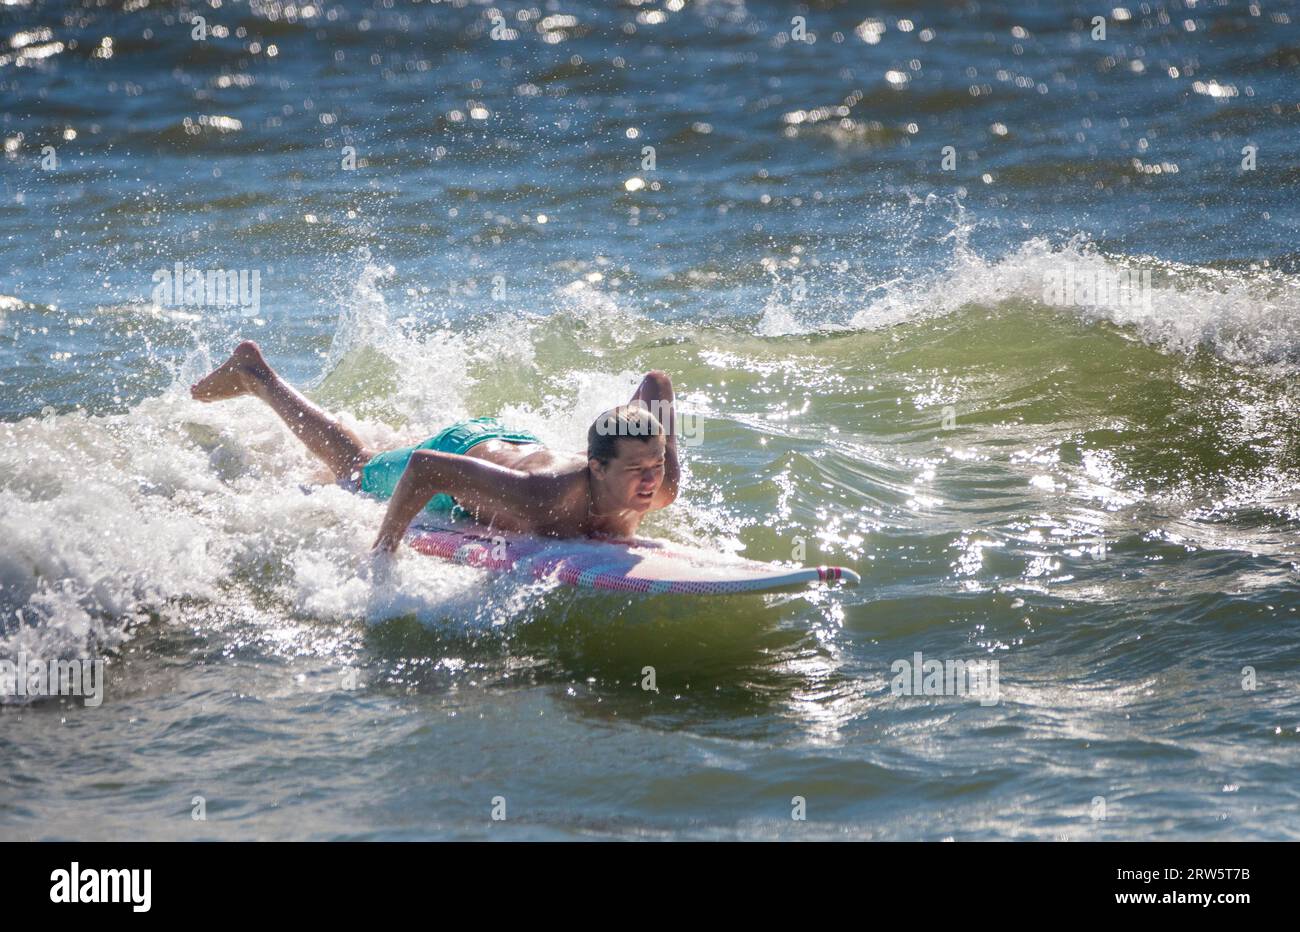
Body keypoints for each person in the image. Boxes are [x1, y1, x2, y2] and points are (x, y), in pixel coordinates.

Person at [190, 341, 679, 552]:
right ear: (595, 467)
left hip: (514, 447)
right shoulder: (542, 497)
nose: (651, 481)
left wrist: (639, 435)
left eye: (655, 465)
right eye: (637, 470)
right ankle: (256, 374)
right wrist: (383, 551)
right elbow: (426, 468)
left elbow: (656, 381)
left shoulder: (660, 484)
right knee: (354, 469)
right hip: (462, 451)